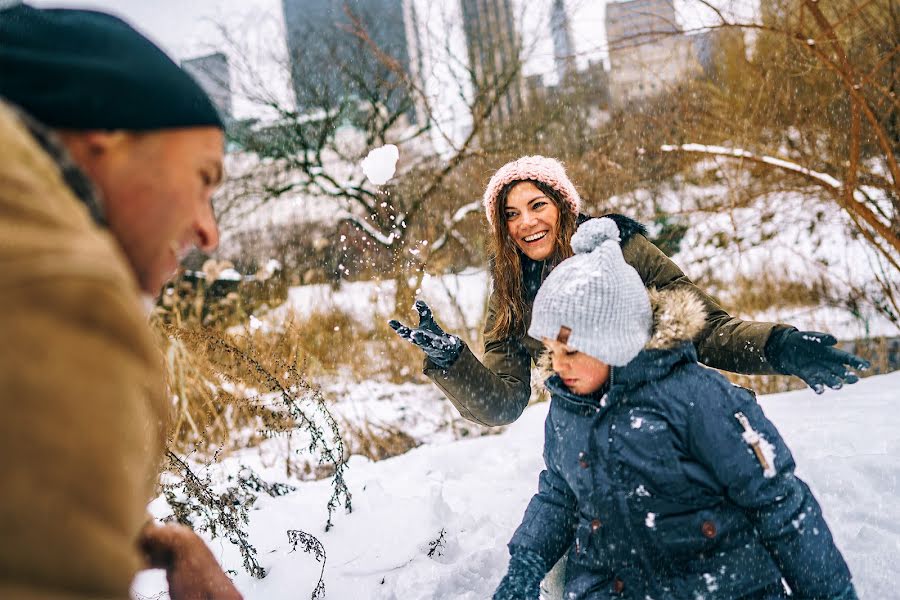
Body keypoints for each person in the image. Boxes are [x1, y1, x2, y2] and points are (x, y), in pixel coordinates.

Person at [0, 4, 241, 599]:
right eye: (204, 179)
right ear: (105, 129)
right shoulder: (61, 290)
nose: (208, 232)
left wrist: (128, 534)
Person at [492, 218, 858, 600]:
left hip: (717, 585)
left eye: (571, 350)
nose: (558, 364)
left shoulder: (696, 398)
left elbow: (779, 504)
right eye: (551, 350)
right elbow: (559, 494)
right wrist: (526, 563)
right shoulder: (568, 406)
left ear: (616, 341)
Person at [391, 155, 870, 427]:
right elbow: (504, 404)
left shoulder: (619, 248)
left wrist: (779, 346)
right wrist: (453, 361)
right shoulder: (511, 289)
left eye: (537, 205)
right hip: (589, 436)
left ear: (563, 205)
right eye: (511, 214)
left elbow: (703, 326)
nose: (526, 222)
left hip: (667, 416)